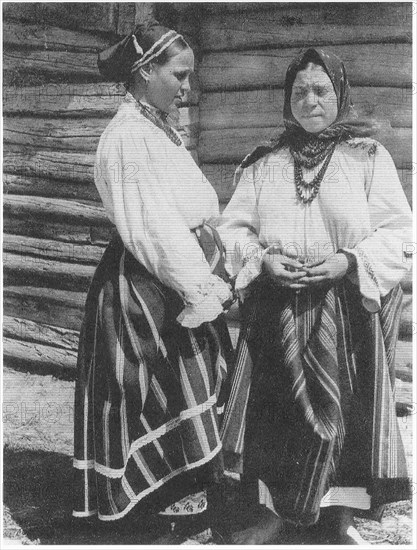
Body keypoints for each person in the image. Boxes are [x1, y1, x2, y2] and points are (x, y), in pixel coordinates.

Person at [217, 48, 412, 545]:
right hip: (277, 307)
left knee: (341, 413)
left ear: (339, 95)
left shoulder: (368, 158)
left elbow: (398, 234)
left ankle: (339, 519)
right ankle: (272, 516)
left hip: (343, 309)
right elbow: (232, 229)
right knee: (275, 414)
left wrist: (347, 261)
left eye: (320, 89)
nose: (310, 99)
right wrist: (263, 260)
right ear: (287, 99)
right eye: (299, 91)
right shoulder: (264, 162)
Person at [72, 21, 234, 534]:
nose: (188, 88)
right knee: (147, 385)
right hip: (146, 286)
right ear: (145, 72)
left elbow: (191, 207)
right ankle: (149, 513)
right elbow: (156, 229)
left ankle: (188, 499)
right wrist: (201, 287)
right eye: (179, 75)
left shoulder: (158, 127)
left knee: (191, 378)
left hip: (175, 275)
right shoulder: (125, 138)